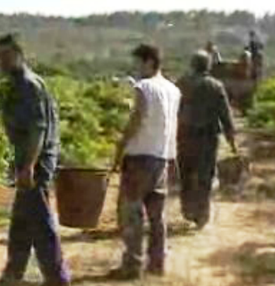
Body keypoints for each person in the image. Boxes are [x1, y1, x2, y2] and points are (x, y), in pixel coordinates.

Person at [0, 34, 70, 286]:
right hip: (28, 163)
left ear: (19, 54)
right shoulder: (20, 84)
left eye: (6, 56)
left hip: (35, 165)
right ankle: (13, 274)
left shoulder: (28, 85)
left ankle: (57, 278)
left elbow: (38, 130)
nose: (1, 61)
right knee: (22, 221)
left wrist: (29, 167)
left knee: (41, 223)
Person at [110, 44, 182, 279]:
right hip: (162, 156)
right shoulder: (173, 90)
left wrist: (120, 146)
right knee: (157, 215)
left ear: (149, 62)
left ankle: (132, 265)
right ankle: (157, 263)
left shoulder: (144, 87)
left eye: (139, 63)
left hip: (139, 156)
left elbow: (137, 119)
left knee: (132, 212)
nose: (137, 68)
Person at [176, 50, 237, 230]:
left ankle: (188, 209)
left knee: (186, 174)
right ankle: (201, 214)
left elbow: (173, 110)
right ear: (208, 66)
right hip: (207, 139)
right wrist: (231, 141)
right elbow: (225, 116)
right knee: (205, 176)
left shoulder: (182, 84)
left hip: (185, 136)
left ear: (192, 65)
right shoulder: (216, 86)